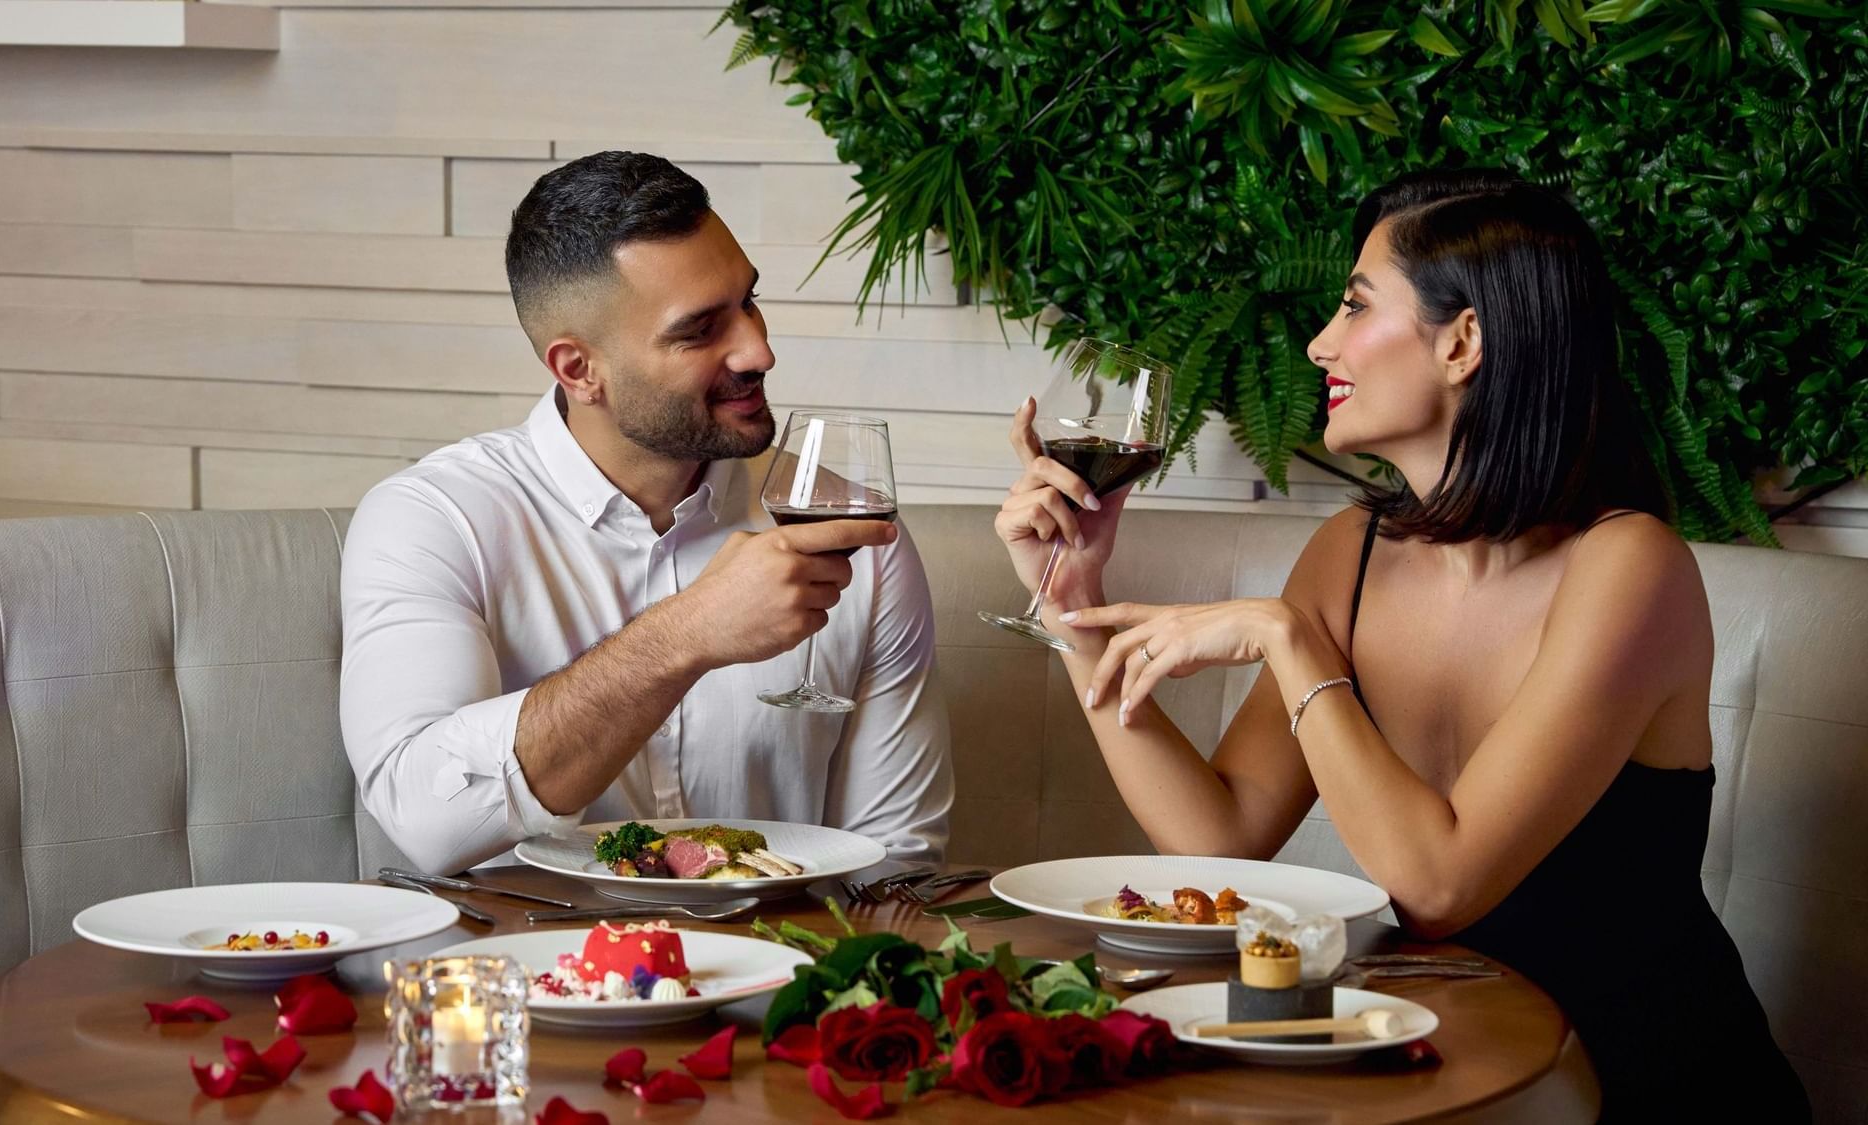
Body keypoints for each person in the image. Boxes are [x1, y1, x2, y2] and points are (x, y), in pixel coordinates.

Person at [993, 169, 1807, 1121]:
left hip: (1642, 1083)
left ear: (1463, 340)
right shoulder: (1355, 548)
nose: (1318, 341)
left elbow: (1439, 885)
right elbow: (1217, 835)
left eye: (1353, 304)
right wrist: (1073, 605)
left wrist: (1289, 640)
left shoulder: (1628, 566)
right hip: (1449, 1065)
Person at [341, 151, 952, 876]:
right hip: (526, 972)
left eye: (748, 302)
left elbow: (897, 860)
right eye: (698, 331)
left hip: (780, 969)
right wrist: (686, 633)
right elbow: (429, 822)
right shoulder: (435, 519)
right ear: (579, 370)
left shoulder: (848, 531)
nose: (760, 350)